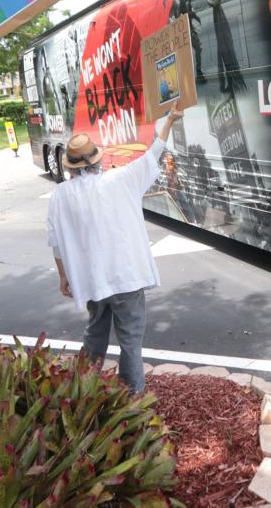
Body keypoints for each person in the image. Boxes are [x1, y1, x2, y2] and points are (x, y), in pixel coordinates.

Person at [48, 104, 184, 392]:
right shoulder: (120, 179)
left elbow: (56, 242)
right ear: (97, 160)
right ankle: (133, 401)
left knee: (94, 336)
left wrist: (64, 277)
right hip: (127, 278)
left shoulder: (60, 196)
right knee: (131, 342)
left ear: (71, 168)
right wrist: (170, 119)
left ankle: (85, 393)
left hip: (93, 282)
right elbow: (154, 153)